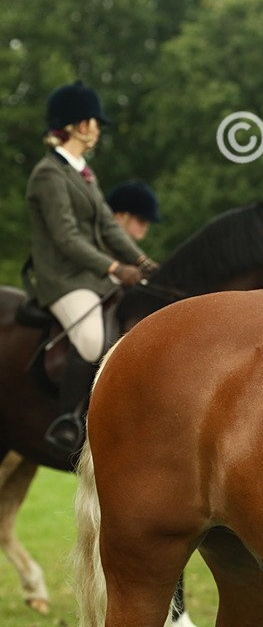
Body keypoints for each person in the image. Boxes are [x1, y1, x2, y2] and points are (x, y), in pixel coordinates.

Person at [24, 81, 156, 453]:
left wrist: (142, 261)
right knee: (91, 338)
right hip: (62, 278)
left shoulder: (83, 171)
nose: (97, 129)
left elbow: (110, 227)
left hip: (88, 275)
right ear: (80, 125)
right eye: (95, 122)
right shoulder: (48, 175)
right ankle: (67, 420)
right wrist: (115, 268)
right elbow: (66, 238)